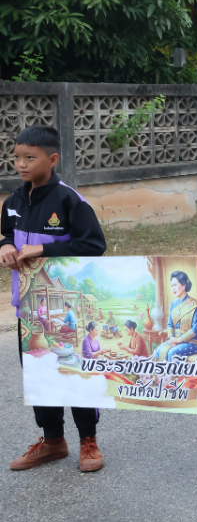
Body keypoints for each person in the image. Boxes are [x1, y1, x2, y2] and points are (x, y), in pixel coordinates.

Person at [1, 126, 107, 473]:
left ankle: (88, 441)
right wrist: (5, 246)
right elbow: (6, 235)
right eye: (17, 157)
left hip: (62, 315)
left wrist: (44, 249)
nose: (21, 164)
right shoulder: (13, 203)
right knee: (40, 374)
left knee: (74, 373)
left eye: (30, 157)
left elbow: (93, 244)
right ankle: (52, 442)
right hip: (28, 308)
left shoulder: (69, 201)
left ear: (53, 159)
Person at [153, 272, 197, 362]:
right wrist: (171, 338)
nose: (173, 288)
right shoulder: (173, 303)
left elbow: (195, 329)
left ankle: (177, 372)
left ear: (184, 285)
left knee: (172, 353)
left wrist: (179, 340)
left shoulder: (194, 304)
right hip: (175, 339)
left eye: (175, 285)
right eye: (172, 286)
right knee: (158, 351)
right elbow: (170, 324)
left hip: (193, 342)